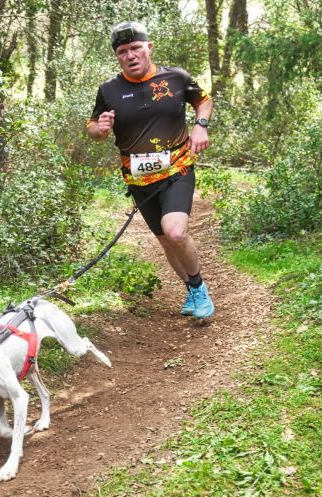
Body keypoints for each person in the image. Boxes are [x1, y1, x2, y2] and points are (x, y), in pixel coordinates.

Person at [86, 21, 214, 319]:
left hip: (177, 169)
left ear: (149, 47)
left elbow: (203, 101)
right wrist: (100, 129)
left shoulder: (176, 77)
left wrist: (200, 126)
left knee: (175, 232)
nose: (130, 55)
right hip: (139, 179)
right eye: (122, 51)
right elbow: (92, 127)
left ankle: (199, 288)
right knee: (166, 242)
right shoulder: (108, 90)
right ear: (117, 56)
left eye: (135, 48)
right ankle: (191, 290)